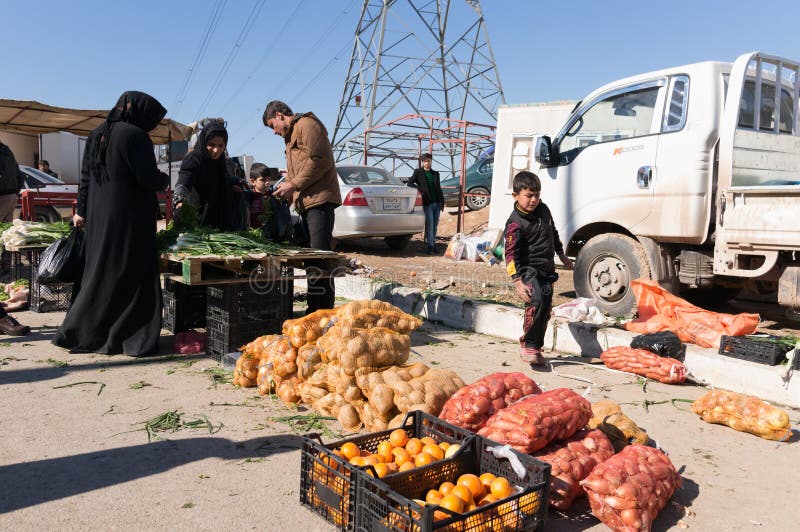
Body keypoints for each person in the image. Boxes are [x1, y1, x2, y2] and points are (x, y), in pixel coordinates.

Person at [53, 91, 170, 356]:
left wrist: (82, 210)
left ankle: (83, 331)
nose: (153, 125)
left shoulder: (97, 134)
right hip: (129, 218)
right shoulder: (136, 136)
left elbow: (86, 177)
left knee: (101, 272)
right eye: (153, 119)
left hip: (99, 216)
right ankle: (131, 334)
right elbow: (147, 178)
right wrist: (164, 181)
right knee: (131, 272)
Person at [262, 100, 341, 313]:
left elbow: (321, 160)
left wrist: (293, 185)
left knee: (319, 258)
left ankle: (321, 312)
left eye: (272, 126)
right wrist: (290, 193)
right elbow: (299, 170)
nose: (274, 132)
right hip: (307, 203)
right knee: (311, 259)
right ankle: (314, 310)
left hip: (320, 202)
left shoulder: (307, 124)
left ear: (279, 115)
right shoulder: (290, 136)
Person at [504, 171, 573, 366]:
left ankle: (536, 346)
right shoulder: (515, 223)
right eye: (529, 196)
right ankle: (528, 345)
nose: (534, 200)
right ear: (516, 195)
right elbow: (509, 254)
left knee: (545, 309)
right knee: (536, 302)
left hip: (546, 268)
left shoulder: (544, 209)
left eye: (537, 195)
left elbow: (552, 232)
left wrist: (561, 254)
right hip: (527, 270)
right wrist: (517, 281)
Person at [173, 120, 241, 230]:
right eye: (211, 145)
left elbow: (223, 176)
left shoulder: (220, 159)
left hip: (218, 218)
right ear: (204, 142)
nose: (216, 150)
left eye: (221, 145)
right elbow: (183, 182)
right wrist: (179, 202)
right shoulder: (194, 158)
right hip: (198, 217)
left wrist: (236, 181)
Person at [408, 153, 444, 254]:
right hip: (428, 203)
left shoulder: (435, 174)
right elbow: (410, 183)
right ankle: (430, 246)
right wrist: (421, 190)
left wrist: (441, 201)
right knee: (430, 224)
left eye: (428, 161)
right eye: (425, 161)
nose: (427, 163)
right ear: (422, 162)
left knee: (435, 225)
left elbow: (438, 188)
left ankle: (433, 244)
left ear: (431, 161)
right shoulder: (418, 172)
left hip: (437, 202)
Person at [0, 141, 24, 223]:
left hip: (2, 196)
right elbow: (20, 176)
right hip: (12, 196)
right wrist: (15, 192)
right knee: (6, 228)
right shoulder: (9, 155)